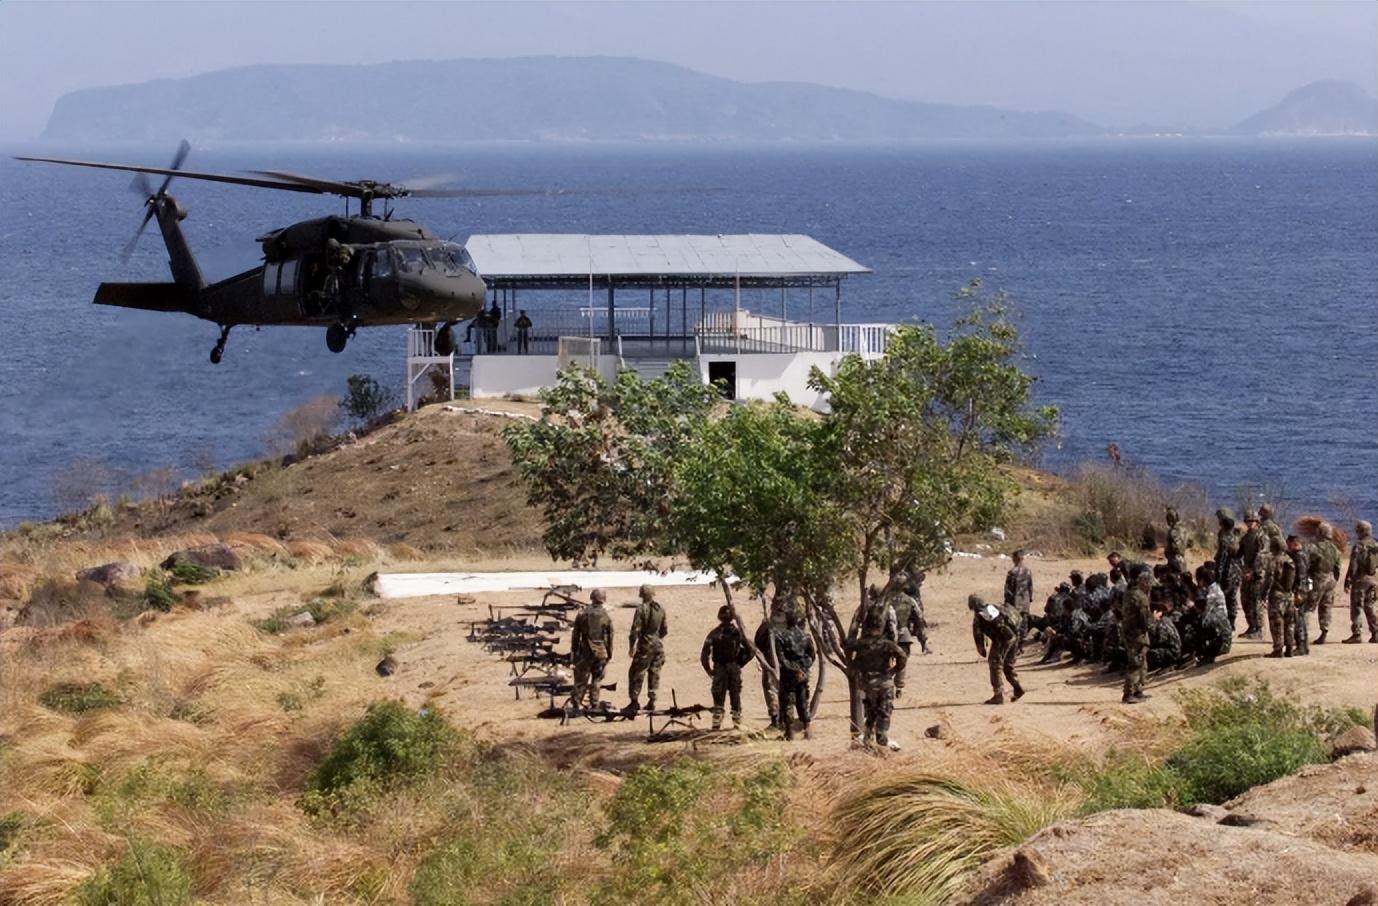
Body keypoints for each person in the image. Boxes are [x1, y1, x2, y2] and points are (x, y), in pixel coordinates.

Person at [846, 615, 908, 748]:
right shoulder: (887, 644)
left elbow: (847, 644)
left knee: (871, 712)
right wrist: (894, 670)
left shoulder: (861, 643)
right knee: (884, 711)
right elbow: (902, 656)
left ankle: (868, 738)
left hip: (868, 684)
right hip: (884, 683)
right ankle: (881, 738)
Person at [700, 605, 753, 730]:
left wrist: (708, 670)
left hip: (720, 669)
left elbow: (704, 655)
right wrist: (740, 663)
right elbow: (751, 651)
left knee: (718, 697)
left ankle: (716, 725)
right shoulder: (738, 633)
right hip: (733, 667)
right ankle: (737, 724)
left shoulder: (714, 634)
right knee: (735, 696)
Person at [969, 593, 1024, 705]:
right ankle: (1017, 687)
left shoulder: (979, 616)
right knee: (1008, 665)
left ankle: (998, 695)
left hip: (1002, 640)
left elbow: (978, 636)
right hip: (1013, 636)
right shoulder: (994, 607)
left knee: (994, 664)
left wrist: (982, 650)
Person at [773, 609, 815, 740]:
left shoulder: (780, 637)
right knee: (803, 700)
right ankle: (807, 730)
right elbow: (812, 656)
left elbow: (781, 658)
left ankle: (789, 733)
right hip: (802, 675)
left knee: (787, 701)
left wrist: (793, 669)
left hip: (788, 675)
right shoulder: (806, 636)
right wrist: (802, 669)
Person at [570, 588, 613, 710]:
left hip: (585, 651)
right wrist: (609, 653)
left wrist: (574, 652)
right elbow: (610, 637)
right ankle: (594, 703)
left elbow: (575, 636)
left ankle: (577, 704)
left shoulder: (582, 614)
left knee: (581, 679)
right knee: (597, 678)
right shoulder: (606, 616)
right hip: (601, 652)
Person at [627, 584, 668, 712]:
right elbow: (664, 630)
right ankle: (652, 700)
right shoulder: (660, 609)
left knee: (636, 673)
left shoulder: (641, 609)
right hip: (658, 645)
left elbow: (635, 630)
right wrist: (656, 638)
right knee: (654, 673)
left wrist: (631, 646)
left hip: (645, 645)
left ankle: (634, 701)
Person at [883, 572, 924, 697]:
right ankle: (899, 687)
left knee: (885, 661)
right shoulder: (909, 600)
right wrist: (921, 637)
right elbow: (918, 617)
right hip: (903, 635)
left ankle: (886, 683)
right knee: (902, 660)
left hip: (886, 636)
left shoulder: (884, 600)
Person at [754, 595, 789, 729]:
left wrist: (763, 660)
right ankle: (786, 720)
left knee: (771, 690)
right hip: (788, 663)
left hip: (771, 663)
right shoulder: (791, 625)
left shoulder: (766, 626)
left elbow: (758, 643)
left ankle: (776, 720)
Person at [1342, 520, 1378, 644]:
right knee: (1370, 606)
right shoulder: (1375, 544)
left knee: (1356, 607)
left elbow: (1353, 564)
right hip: (1373, 580)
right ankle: (1375, 632)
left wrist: (1348, 580)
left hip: (1360, 580)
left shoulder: (1359, 545)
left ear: (1360, 531)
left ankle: (1357, 634)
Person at [1307, 522, 1342, 644]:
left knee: (1308, 606)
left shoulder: (1314, 547)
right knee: (1326, 607)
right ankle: (1324, 632)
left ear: (1320, 533)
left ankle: (1303, 632)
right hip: (1330, 579)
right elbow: (1337, 567)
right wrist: (1334, 579)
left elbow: (1307, 563)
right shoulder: (1335, 549)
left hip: (1317, 578)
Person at [1121, 570, 1152, 703]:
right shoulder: (1141, 597)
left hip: (1129, 631)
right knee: (1136, 662)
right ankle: (1129, 693)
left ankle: (1138, 689)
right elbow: (1144, 618)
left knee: (1141, 661)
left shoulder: (1129, 594)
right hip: (1137, 633)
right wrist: (1152, 623)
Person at [1238, 511, 1269, 640]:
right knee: (1245, 600)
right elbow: (1240, 553)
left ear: (1257, 522)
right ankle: (1252, 626)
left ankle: (1260, 629)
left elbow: (1262, 556)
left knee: (1257, 602)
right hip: (1247, 572)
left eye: (1252, 521)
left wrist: (1255, 573)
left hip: (1257, 574)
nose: (1250, 524)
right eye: (1247, 521)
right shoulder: (1246, 537)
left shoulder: (1262, 537)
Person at [1266, 535, 1297, 657]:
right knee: (1290, 623)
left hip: (1277, 595)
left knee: (1276, 623)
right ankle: (1289, 648)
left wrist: (1263, 593)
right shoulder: (1290, 560)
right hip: (1289, 595)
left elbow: (1268, 579)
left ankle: (1278, 649)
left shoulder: (1273, 561)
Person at [1214, 508, 1243, 629]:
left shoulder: (1224, 538)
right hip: (1237, 570)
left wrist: (1218, 573)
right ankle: (1232, 621)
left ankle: (1225, 622)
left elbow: (1222, 557)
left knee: (1224, 596)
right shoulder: (1236, 535)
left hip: (1228, 571)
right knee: (1232, 597)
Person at [1287, 535, 1312, 656]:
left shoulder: (1298, 557)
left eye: (1289, 544)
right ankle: (1303, 645)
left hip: (1300, 591)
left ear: (1294, 543)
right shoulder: (1304, 554)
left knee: (1298, 618)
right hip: (1304, 589)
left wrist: (1298, 593)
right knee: (1300, 617)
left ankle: (1301, 645)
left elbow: (1301, 576)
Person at [1004, 549, 1034, 650]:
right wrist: (1029, 598)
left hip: (1014, 602)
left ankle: (1015, 647)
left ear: (1015, 558)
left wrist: (1006, 602)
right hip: (1024, 602)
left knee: (1014, 624)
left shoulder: (1012, 572)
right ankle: (1021, 645)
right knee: (1024, 625)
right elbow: (1030, 587)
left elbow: (1008, 589)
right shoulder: (1028, 571)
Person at [1165, 506, 1188, 575]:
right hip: (1181, 559)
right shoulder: (1184, 529)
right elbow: (1190, 543)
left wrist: (1168, 551)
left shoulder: (1173, 531)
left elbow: (1175, 546)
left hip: (1174, 559)